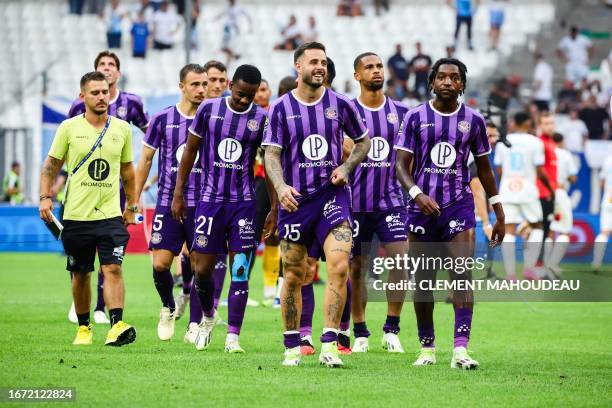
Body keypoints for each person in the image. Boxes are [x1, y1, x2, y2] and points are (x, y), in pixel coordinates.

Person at [263, 42, 371, 367]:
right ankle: (292, 346)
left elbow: (364, 142)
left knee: (339, 266)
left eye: (323, 61)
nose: (319, 67)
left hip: (332, 197)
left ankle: (328, 344)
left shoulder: (340, 104)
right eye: (313, 62)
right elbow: (271, 153)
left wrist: (346, 167)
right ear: (298, 67)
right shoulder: (281, 108)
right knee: (295, 274)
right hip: (296, 202)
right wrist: (280, 187)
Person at [394, 58, 504, 369]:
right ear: (431, 83)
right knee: (424, 280)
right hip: (420, 209)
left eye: (453, 77)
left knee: (461, 273)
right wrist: (417, 194)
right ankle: (427, 348)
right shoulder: (415, 117)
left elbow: (484, 169)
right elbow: (400, 165)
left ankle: (460, 350)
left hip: (458, 204)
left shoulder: (475, 121)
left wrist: (499, 211)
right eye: (440, 77)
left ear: (462, 85)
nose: (446, 82)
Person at [171, 64, 269, 353]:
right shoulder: (209, 111)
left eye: (250, 96)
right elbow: (189, 151)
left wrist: (273, 209)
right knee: (201, 269)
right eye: (239, 94)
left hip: (244, 205)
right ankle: (208, 318)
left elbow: (271, 162)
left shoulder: (262, 119)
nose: (243, 100)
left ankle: (233, 338)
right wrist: (179, 193)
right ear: (229, 84)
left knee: (240, 269)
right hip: (209, 201)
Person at [39, 71, 138, 346]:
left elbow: (128, 171)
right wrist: (45, 197)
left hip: (109, 214)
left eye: (105, 91)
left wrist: (131, 205)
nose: (101, 97)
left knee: (113, 269)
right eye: (94, 92)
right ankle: (84, 328)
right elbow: (50, 166)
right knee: (81, 273)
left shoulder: (122, 129)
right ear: (82, 97)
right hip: (75, 215)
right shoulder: (68, 128)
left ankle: (117, 325)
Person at [66, 51, 149, 325]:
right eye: (102, 65)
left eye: (111, 65)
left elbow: (152, 135)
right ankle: (81, 299)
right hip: (82, 192)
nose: (107, 68)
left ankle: (102, 305)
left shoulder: (131, 103)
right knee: (81, 254)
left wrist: (137, 186)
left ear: (118, 72)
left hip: (116, 192)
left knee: (110, 254)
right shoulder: (78, 109)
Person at [134, 64, 208, 341]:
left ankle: (195, 323)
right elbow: (145, 161)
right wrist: (134, 199)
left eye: (204, 84)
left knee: (201, 265)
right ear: (182, 87)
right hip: (168, 202)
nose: (201, 90)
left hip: (203, 203)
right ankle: (168, 306)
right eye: (195, 85)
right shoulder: (162, 119)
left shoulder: (213, 119)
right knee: (161, 265)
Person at [344, 52, 409, 354]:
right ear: (357, 76)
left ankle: (392, 329)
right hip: (354, 203)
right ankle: (360, 331)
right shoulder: (346, 112)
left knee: (399, 260)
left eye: (379, 66)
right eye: (368, 67)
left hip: (391, 201)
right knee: (357, 268)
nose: (376, 71)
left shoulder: (402, 113)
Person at [494, 112, 552, 280]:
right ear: (527, 123)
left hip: (508, 189)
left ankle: (510, 274)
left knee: (509, 230)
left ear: (514, 123)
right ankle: (529, 268)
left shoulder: (503, 142)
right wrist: (550, 189)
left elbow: (499, 170)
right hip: (527, 190)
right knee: (538, 226)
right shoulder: (535, 142)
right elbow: (540, 170)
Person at [546, 133, 578, 277]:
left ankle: (546, 264)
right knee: (564, 231)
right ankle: (553, 264)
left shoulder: (545, 152)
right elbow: (573, 177)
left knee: (549, 231)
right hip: (560, 193)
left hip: (546, 194)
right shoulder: (565, 154)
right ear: (562, 141)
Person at [537, 113, 559, 256]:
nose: (549, 126)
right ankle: (535, 264)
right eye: (546, 123)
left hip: (550, 192)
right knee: (540, 230)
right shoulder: (540, 143)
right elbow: (539, 171)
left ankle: (540, 263)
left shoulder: (552, 143)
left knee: (546, 229)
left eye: (551, 123)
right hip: (542, 192)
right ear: (540, 126)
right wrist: (551, 189)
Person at [593, 154, 612, 272]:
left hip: (609, 198)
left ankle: (596, 262)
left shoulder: (608, 159)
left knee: (604, 232)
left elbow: (601, 183)